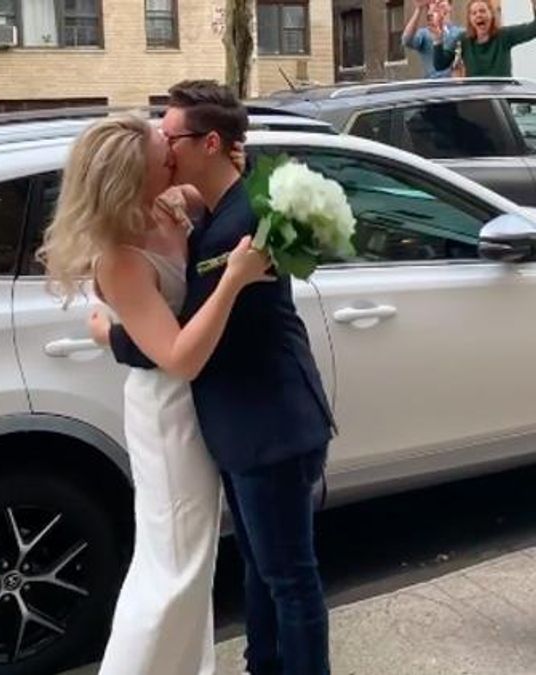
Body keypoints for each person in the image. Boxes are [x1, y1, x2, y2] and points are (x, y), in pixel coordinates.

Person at [87, 81, 336, 675]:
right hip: (242, 423)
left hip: (268, 425)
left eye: (170, 137)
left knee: (288, 579)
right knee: (263, 569)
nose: (165, 147)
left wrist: (113, 337)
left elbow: (183, 338)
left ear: (210, 142)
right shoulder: (217, 208)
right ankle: (263, 664)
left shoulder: (235, 230)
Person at [36, 106, 274, 672]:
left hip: (197, 405)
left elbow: (221, 186)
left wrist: (233, 159)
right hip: (167, 415)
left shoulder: (170, 204)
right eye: (162, 154)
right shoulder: (120, 258)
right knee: (171, 569)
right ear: (131, 178)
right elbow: (180, 358)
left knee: (193, 563)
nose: (173, 154)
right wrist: (234, 281)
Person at [432, 0, 536, 77]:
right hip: (477, 96)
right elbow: (440, 65)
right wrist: (438, 40)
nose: (478, 15)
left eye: (482, 11)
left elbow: (533, 30)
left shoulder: (504, 36)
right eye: (474, 13)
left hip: (501, 96)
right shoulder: (463, 39)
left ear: (491, 15)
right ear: (470, 19)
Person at [402, 0, 465, 78]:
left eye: (441, 0)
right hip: (432, 83)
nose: (437, 2)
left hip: (456, 83)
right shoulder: (424, 33)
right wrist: (418, 9)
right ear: (429, 9)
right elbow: (406, 40)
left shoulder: (461, 33)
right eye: (434, 1)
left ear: (450, 7)